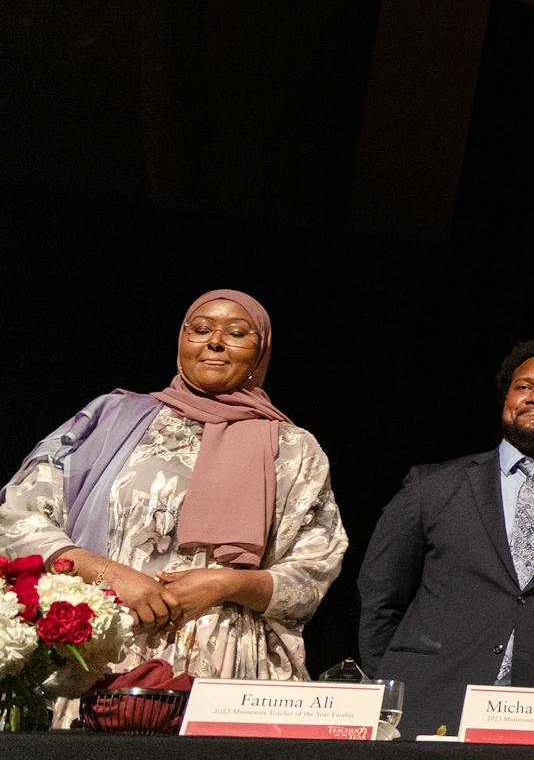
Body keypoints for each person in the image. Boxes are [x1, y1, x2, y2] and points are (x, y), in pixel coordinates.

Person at [1, 290, 346, 710]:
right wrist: (110, 574)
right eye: (200, 330)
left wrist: (227, 583)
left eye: (237, 334)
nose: (215, 342)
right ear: (182, 341)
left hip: (225, 670)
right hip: (105, 653)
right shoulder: (112, 419)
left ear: (261, 352)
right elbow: (16, 516)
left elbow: (314, 570)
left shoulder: (292, 450)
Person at [359, 337, 534, 736]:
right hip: (429, 699)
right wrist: (393, 681)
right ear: (507, 399)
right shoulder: (432, 487)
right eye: (524, 386)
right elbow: (380, 595)